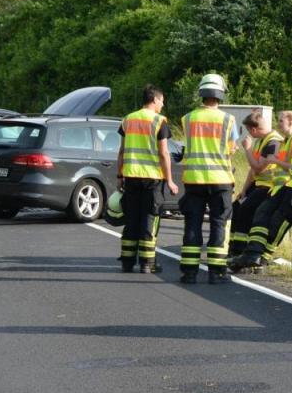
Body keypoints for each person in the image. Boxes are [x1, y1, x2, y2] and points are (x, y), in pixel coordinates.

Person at [230, 96, 292, 272]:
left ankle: (261, 258)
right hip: (290, 184)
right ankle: (251, 254)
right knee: (262, 211)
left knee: (277, 221)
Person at [179, 73, 238, 284]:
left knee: (192, 224)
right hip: (221, 179)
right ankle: (216, 272)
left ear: (202, 93)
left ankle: (189, 272)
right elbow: (231, 150)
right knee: (219, 223)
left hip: (194, 179)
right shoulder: (228, 120)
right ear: (220, 94)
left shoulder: (188, 119)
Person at [116, 85, 179, 273]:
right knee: (150, 219)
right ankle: (147, 263)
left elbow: (122, 151)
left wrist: (119, 176)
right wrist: (169, 180)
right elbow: (164, 153)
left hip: (131, 177)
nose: (163, 104)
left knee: (132, 219)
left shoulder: (128, 120)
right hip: (152, 179)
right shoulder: (159, 121)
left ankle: (127, 261)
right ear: (154, 100)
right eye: (161, 100)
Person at [228, 112, 283, 257]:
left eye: (248, 131)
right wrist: (244, 190)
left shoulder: (273, 142)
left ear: (253, 129)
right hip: (258, 184)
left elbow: (259, 168)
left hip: (269, 186)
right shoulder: (260, 141)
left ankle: (240, 250)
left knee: (246, 209)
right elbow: (252, 170)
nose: (249, 135)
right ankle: (233, 246)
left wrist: (247, 149)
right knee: (237, 206)